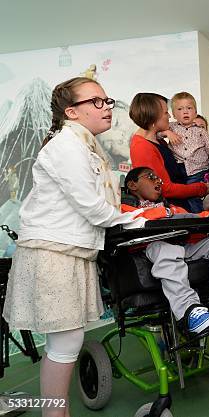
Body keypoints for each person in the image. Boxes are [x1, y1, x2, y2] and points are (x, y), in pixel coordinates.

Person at [3, 77, 146, 417]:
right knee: (65, 344)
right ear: (72, 112)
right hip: (54, 254)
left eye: (107, 99)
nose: (107, 106)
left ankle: (57, 413)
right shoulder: (67, 145)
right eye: (96, 101)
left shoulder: (81, 144)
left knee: (64, 343)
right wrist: (139, 219)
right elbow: (91, 205)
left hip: (68, 252)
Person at [121, 166, 209, 334]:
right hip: (150, 250)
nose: (157, 180)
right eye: (150, 176)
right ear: (132, 185)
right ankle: (189, 311)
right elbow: (138, 218)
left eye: (158, 177)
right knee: (164, 249)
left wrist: (208, 217)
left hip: (182, 246)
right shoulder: (125, 208)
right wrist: (167, 213)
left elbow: (190, 219)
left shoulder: (172, 208)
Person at [129, 93, 208, 211]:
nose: (170, 116)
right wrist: (200, 188)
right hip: (172, 211)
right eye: (166, 113)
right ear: (154, 116)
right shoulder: (142, 147)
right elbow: (164, 188)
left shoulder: (157, 140)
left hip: (181, 206)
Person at [165, 92, 209, 213]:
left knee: (194, 196)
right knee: (181, 197)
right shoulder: (171, 127)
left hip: (198, 169)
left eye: (189, 108)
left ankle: (199, 219)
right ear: (174, 115)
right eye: (180, 109)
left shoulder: (201, 131)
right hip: (179, 169)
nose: (185, 112)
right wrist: (167, 133)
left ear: (195, 112)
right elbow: (157, 132)